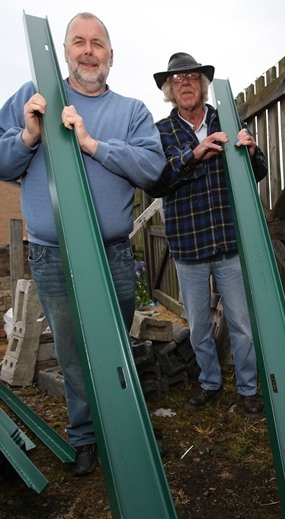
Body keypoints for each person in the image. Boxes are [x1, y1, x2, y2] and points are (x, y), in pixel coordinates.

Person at [0, 13, 167, 476]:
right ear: (67, 50)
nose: (88, 50)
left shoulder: (131, 111)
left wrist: (93, 144)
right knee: (72, 351)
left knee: (117, 345)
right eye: (79, 42)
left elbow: (153, 170)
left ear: (110, 56)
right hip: (53, 255)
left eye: (98, 43)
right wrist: (29, 136)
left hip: (112, 252)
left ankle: (128, 425)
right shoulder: (34, 97)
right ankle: (85, 435)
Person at [148, 52, 268, 419]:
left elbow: (259, 172)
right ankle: (210, 383)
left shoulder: (227, 121)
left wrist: (251, 151)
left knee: (242, 324)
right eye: (177, 79)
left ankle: (248, 389)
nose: (185, 83)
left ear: (202, 85)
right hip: (189, 246)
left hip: (230, 242)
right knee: (199, 325)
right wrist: (194, 154)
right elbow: (158, 181)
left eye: (192, 77)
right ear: (170, 90)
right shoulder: (160, 132)